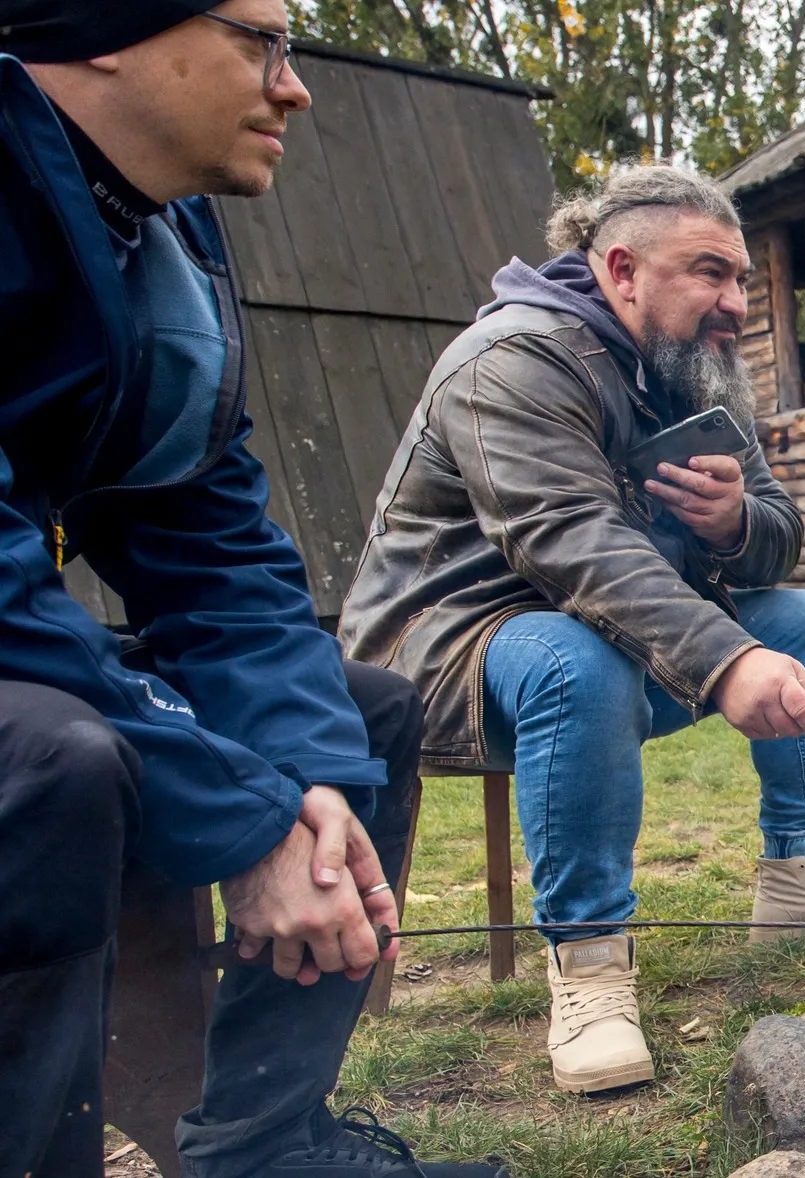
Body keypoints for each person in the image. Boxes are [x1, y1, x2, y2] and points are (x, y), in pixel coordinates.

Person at [0, 5, 507, 1175]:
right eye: (260, 42)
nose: (296, 88)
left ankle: (261, 1146)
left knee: (359, 714)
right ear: (110, 32)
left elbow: (213, 552)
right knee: (52, 757)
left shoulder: (154, 241)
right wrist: (238, 814)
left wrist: (305, 795)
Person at [338, 164, 805, 1095]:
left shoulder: (693, 373)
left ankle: (801, 877)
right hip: (448, 643)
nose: (736, 301)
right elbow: (572, 546)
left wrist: (734, 524)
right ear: (621, 268)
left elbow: (780, 536)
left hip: (605, 631)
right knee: (580, 660)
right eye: (710, 274)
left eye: (738, 278)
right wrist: (728, 662)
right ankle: (592, 964)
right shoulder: (514, 361)